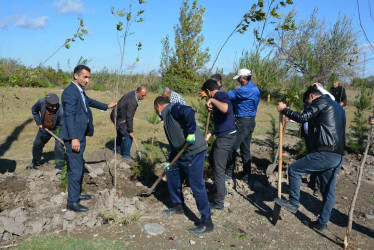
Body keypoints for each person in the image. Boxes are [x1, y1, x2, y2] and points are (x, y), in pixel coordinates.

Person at [275, 87, 345, 232]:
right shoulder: (337, 107)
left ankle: (293, 203)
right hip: (337, 154)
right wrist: (292, 117)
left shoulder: (320, 102)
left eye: (307, 103)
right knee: (328, 192)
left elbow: (303, 117)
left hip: (324, 152)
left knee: (294, 169)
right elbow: (318, 122)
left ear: (312, 96)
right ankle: (322, 223)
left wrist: (285, 110)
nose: (308, 107)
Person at [60, 65, 117, 213]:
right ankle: (72, 202)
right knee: (76, 169)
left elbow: (88, 101)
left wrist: (106, 106)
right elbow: (69, 117)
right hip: (74, 137)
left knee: (78, 166)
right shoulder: (69, 93)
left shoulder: (79, 91)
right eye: (85, 77)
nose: (87, 80)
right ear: (76, 76)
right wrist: (74, 138)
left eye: (89, 78)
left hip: (80, 135)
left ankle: (76, 195)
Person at [154, 96, 213, 234]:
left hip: (194, 152)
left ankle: (207, 221)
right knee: (172, 173)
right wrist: (169, 160)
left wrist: (192, 132)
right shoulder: (167, 118)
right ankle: (178, 206)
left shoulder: (171, 109)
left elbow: (188, 111)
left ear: (158, 106)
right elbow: (175, 142)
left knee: (196, 185)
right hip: (180, 153)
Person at [201, 79, 236, 210]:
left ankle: (219, 202)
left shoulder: (220, 95)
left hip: (226, 137)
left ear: (208, 91)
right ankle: (221, 190)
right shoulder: (219, 97)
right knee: (212, 159)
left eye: (206, 93)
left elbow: (226, 108)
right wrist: (211, 133)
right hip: (223, 134)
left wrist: (213, 101)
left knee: (218, 168)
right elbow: (223, 120)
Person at [225, 68, 260, 185]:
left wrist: (217, 93)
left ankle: (228, 174)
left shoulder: (244, 90)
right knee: (245, 149)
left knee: (232, 147)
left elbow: (229, 95)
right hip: (251, 121)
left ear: (244, 78)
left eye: (239, 78)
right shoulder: (255, 88)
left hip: (244, 122)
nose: (239, 80)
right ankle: (247, 175)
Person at [305, 83, 335, 197]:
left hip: (318, 137)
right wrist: (291, 119)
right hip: (309, 136)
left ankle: (318, 185)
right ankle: (312, 181)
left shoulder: (326, 101)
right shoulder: (310, 103)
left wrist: (320, 88)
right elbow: (304, 116)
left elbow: (332, 98)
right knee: (311, 159)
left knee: (318, 162)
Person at [26, 93, 65, 170]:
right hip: (45, 128)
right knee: (37, 144)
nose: (54, 108)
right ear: (46, 103)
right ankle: (35, 163)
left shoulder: (61, 111)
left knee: (58, 146)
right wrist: (39, 123)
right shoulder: (41, 102)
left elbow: (62, 125)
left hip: (58, 128)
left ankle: (59, 167)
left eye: (55, 105)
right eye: (52, 106)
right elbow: (34, 110)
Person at [111, 86, 147, 162]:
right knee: (128, 135)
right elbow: (129, 117)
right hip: (118, 116)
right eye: (142, 95)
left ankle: (117, 149)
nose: (144, 97)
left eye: (145, 95)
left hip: (118, 115)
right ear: (137, 92)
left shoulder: (133, 93)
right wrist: (131, 131)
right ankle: (126, 155)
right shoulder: (133, 101)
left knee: (120, 132)